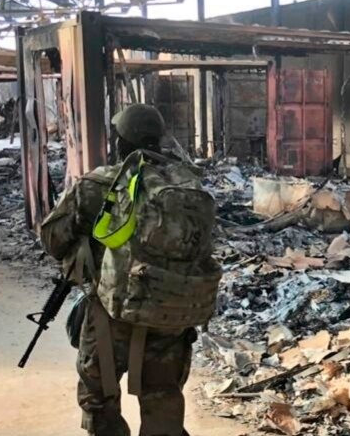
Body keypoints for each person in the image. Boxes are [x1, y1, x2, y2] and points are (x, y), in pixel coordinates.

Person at [40, 104, 219, 436]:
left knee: (100, 398)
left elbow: (53, 238)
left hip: (112, 314)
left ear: (120, 142)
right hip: (171, 315)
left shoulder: (99, 184)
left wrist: (89, 252)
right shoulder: (187, 185)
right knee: (163, 397)